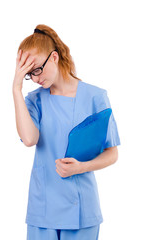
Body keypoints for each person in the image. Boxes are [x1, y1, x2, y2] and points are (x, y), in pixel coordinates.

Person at [12, 24, 121, 240]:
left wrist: (83, 167)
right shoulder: (34, 101)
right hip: (43, 210)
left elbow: (112, 153)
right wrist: (16, 88)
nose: (34, 78)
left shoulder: (95, 97)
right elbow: (29, 139)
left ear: (54, 57)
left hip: (81, 211)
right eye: (28, 74)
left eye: (37, 70)